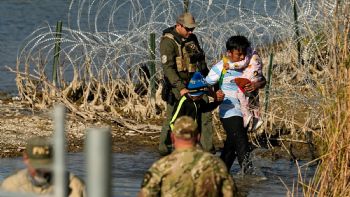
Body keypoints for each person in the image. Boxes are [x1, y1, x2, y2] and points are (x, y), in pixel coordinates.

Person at [159, 12, 221, 155]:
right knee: (173, 117)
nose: (191, 31)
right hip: (177, 86)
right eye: (188, 29)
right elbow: (168, 68)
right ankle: (165, 149)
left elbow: (201, 63)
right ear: (179, 25)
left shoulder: (192, 38)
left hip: (196, 83)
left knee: (205, 114)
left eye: (192, 29)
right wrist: (181, 88)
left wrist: (210, 85)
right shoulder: (168, 41)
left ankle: (207, 150)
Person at [205, 35, 266, 175]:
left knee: (231, 146)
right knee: (241, 141)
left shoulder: (248, 64)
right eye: (239, 54)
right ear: (229, 53)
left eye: (244, 53)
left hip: (245, 111)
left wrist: (255, 84)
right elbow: (204, 85)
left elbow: (263, 80)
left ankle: (219, 173)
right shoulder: (220, 67)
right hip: (229, 110)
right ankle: (249, 176)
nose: (242, 57)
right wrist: (214, 95)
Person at [139, 116, 237, 197]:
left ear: (172, 137)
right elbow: (230, 193)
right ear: (198, 137)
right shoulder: (216, 164)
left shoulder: (161, 166)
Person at [0, 136, 86, 197]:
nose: (42, 170)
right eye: (36, 165)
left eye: (46, 164)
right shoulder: (10, 186)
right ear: (25, 158)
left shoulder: (75, 185)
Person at [168, 72, 224, 151]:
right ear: (197, 93)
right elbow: (173, 122)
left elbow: (205, 108)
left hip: (194, 137)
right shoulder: (184, 102)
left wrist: (218, 102)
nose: (203, 96)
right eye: (202, 94)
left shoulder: (198, 101)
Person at [222, 47, 264, 131]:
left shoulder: (247, 54)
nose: (241, 57)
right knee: (254, 97)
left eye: (242, 54)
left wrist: (230, 65)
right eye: (239, 54)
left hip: (251, 76)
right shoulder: (254, 53)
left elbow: (243, 63)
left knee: (240, 93)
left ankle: (246, 114)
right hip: (256, 75)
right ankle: (257, 118)